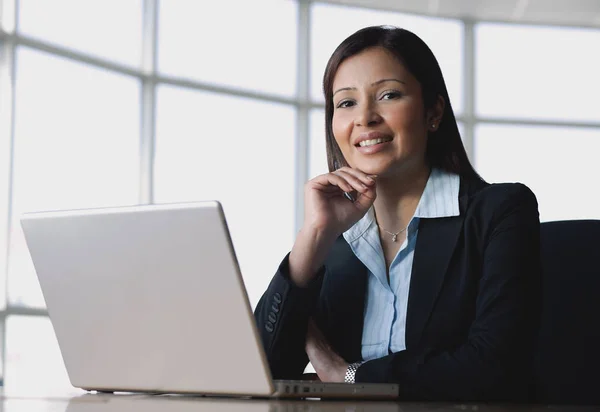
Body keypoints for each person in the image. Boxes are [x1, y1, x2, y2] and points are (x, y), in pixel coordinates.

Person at [254, 25, 541, 402]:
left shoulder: (500, 213)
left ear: (433, 111)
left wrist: (350, 375)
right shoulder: (337, 243)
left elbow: (494, 365)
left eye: (388, 95)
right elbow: (262, 373)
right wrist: (312, 238)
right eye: (346, 103)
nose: (365, 118)